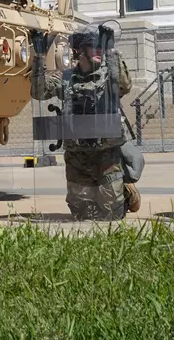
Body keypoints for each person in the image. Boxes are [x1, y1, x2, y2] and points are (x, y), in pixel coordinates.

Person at [31, 23, 142, 221]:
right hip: (77, 155)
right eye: (95, 46)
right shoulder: (66, 78)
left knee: (111, 214)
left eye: (101, 46)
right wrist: (39, 57)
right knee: (81, 213)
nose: (99, 50)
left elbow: (124, 86)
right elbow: (38, 92)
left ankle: (125, 190)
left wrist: (111, 50)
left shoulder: (109, 74)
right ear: (79, 51)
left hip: (107, 155)